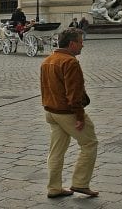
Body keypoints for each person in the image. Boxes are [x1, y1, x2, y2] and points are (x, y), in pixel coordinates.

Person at [40, 28, 98, 198]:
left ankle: (54, 188)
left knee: (56, 151)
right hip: (67, 113)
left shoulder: (47, 60)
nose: (82, 45)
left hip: (51, 112)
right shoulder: (70, 62)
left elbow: (44, 89)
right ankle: (80, 183)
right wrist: (79, 117)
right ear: (72, 44)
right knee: (89, 143)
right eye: (81, 42)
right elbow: (74, 94)